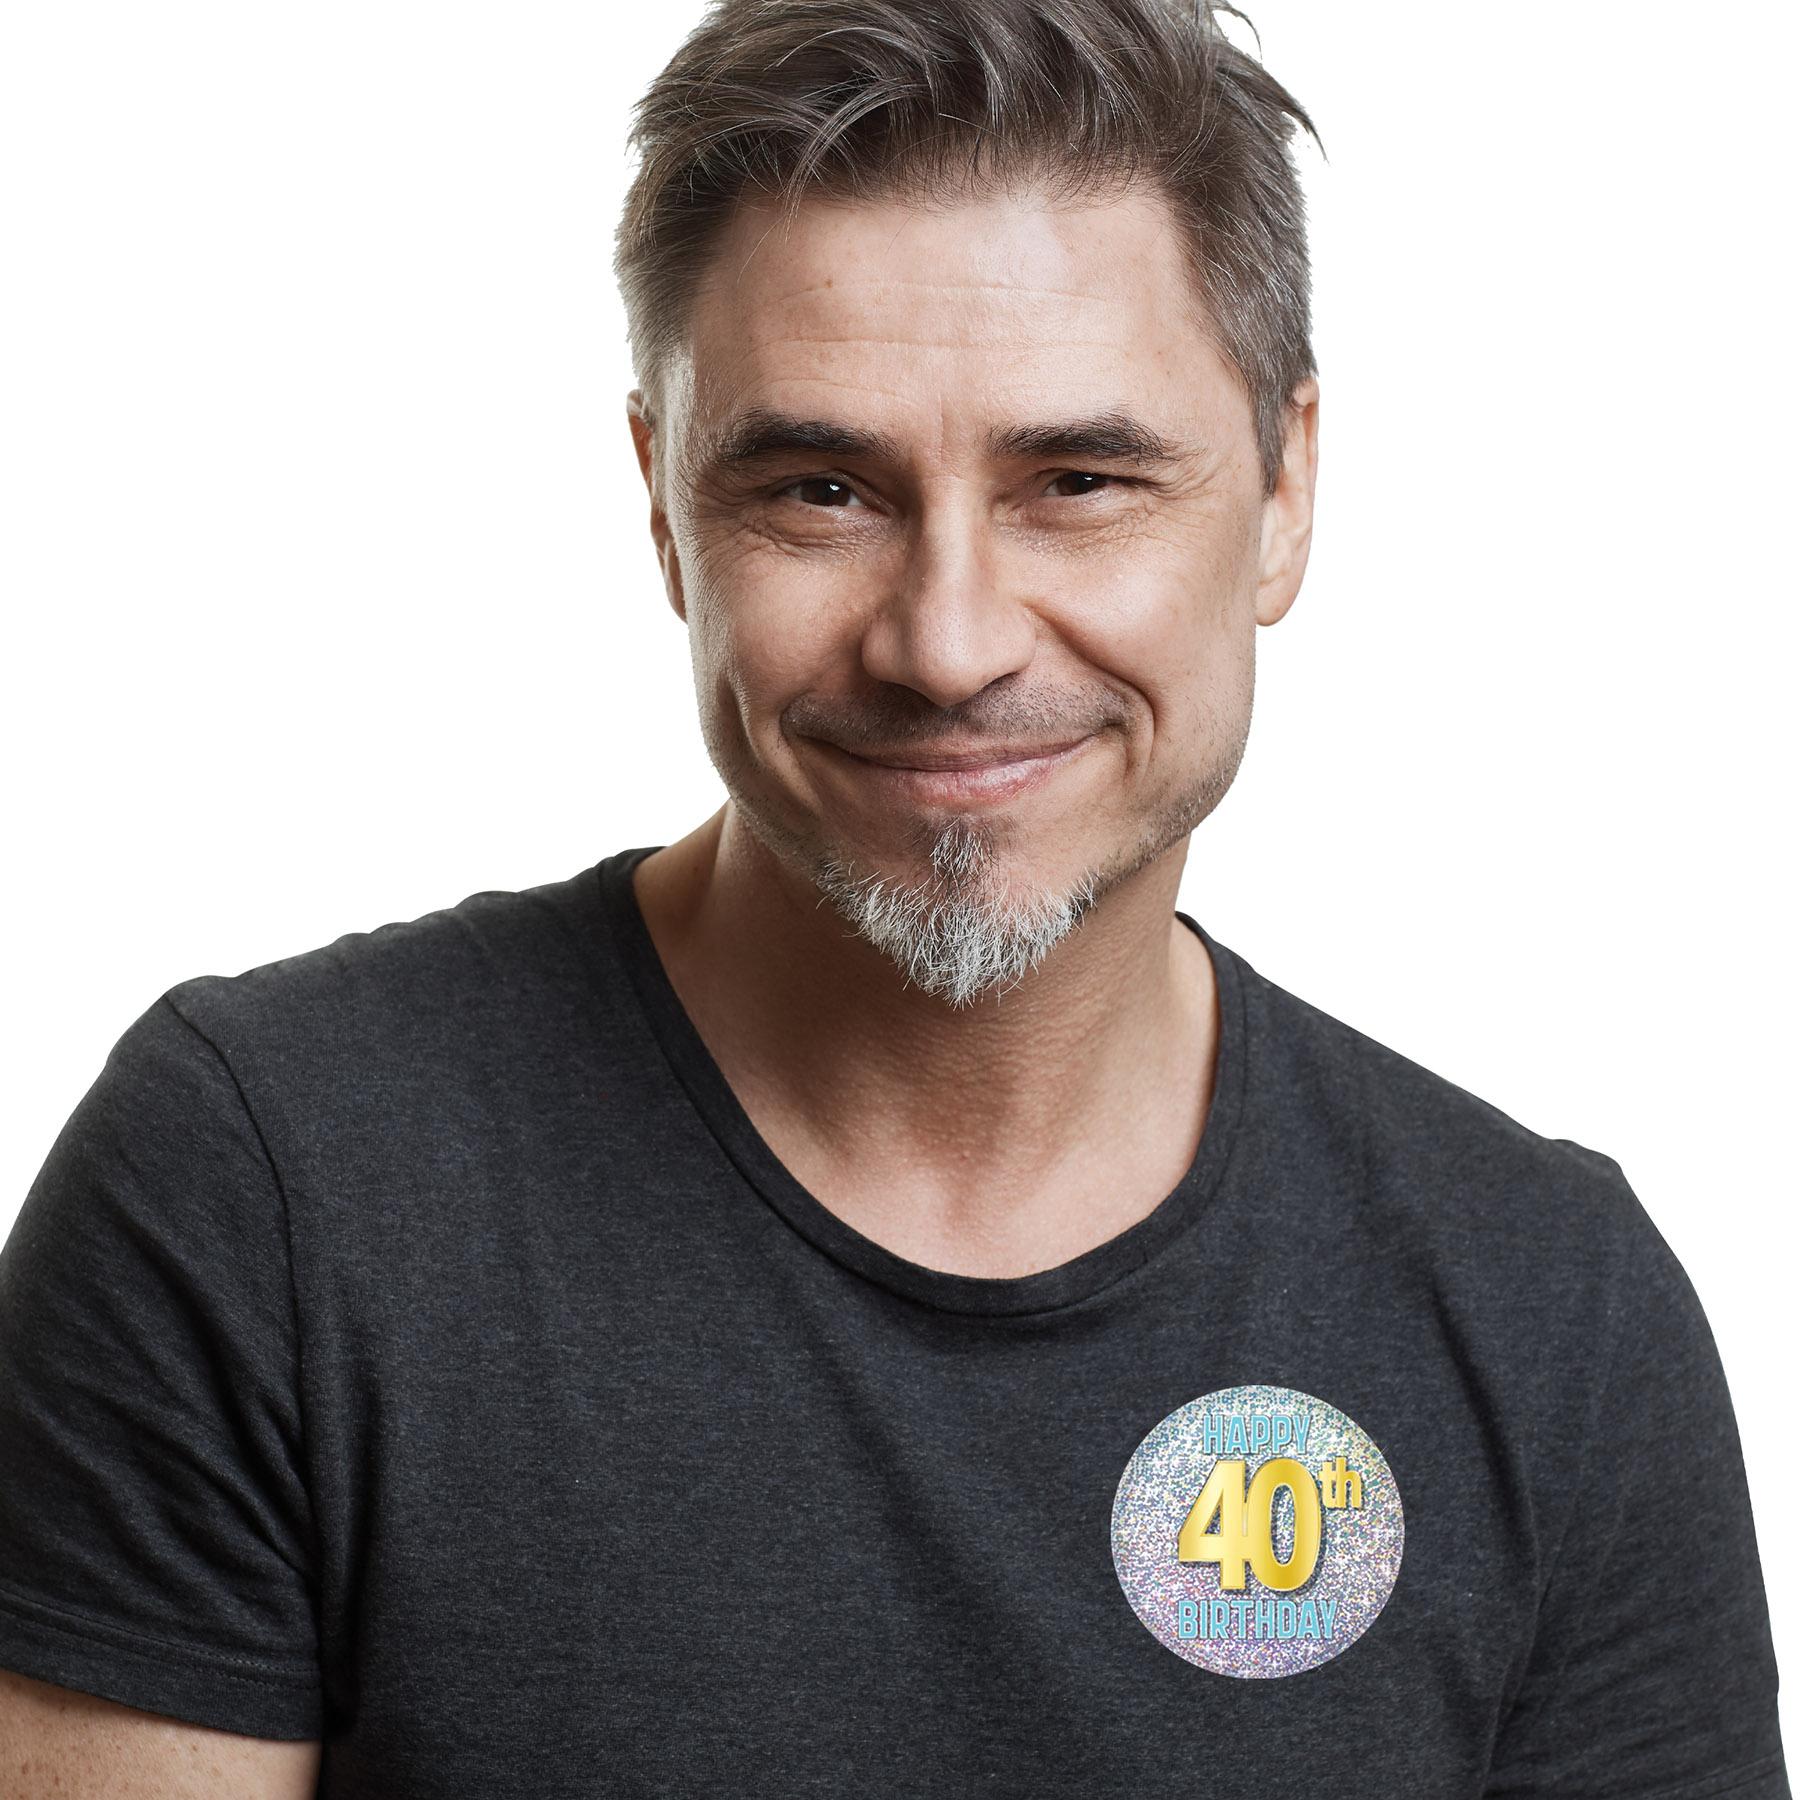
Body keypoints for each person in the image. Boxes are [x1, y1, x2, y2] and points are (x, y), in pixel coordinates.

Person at [0, 0, 1787, 1793]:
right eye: (821, 490)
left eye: (1077, 481)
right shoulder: (264, 1193)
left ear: (1282, 491)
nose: (948, 642)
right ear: (663, 508)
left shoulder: (1553, 1314)